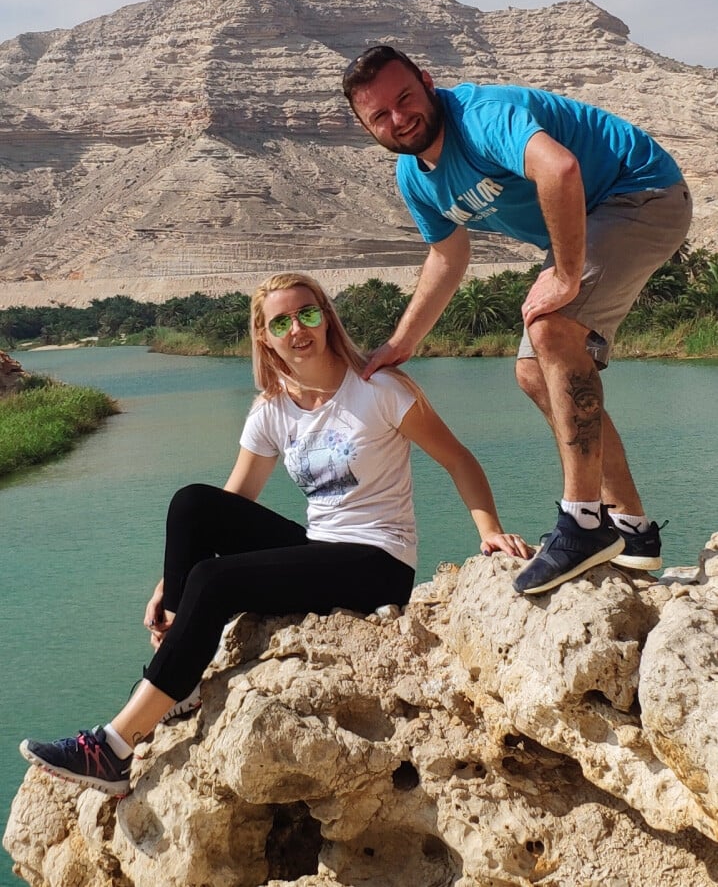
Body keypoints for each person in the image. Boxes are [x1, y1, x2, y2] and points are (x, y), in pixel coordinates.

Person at [20, 271, 530, 796]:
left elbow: (458, 459)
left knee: (217, 581)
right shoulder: (272, 406)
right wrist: (167, 583)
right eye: (281, 322)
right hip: (319, 549)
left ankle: (114, 747)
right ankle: (181, 676)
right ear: (264, 336)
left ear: (327, 319)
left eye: (308, 314)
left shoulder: (379, 389)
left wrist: (489, 530)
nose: (297, 329)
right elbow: (235, 499)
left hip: (378, 562)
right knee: (192, 503)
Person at [342, 45, 693, 596]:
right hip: (599, 214)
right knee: (532, 373)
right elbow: (448, 256)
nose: (397, 118)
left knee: (551, 326)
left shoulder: (480, 117)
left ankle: (582, 523)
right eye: (378, 115)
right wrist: (401, 342)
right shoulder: (415, 177)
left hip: (641, 193)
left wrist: (567, 274)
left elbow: (560, 168)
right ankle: (632, 527)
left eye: (404, 98)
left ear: (428, 82)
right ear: (366, 126)